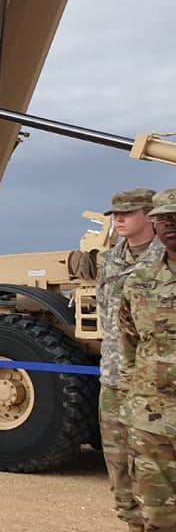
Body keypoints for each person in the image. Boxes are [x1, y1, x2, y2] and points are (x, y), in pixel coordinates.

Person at [97, 188, 162, 530]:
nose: (118, 219)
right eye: (115, 214)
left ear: (150, 216)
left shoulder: (166, 260)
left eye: (128, 212)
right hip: (113, 380)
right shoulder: (109, 262)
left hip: (156, 388)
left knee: (158, 476)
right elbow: (108, 321)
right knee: (119, 470)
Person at [120, 188, 176, 531]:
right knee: (155, 516)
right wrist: (129, 407)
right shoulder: (139, 281)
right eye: (162, 218)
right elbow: (130, 344)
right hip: (151, 420)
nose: (169, 224)